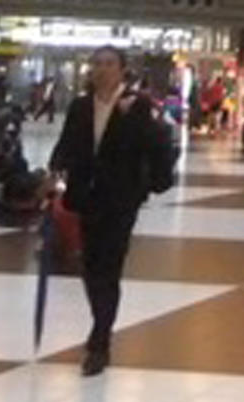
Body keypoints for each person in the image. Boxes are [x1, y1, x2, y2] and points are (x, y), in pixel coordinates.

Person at [49, 46, 179, 377]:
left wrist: (154, 184)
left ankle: (99, 341)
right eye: (97, 64)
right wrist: (56, 169)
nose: (102, 70)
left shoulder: (138, 106)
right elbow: (67, 144)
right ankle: (99, 327)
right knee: (91, 266)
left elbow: (160, 143)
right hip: (86, 195)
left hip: (121, 198)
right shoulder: (80, 106)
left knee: (110, 265)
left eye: (109, 64)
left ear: (122, 70)